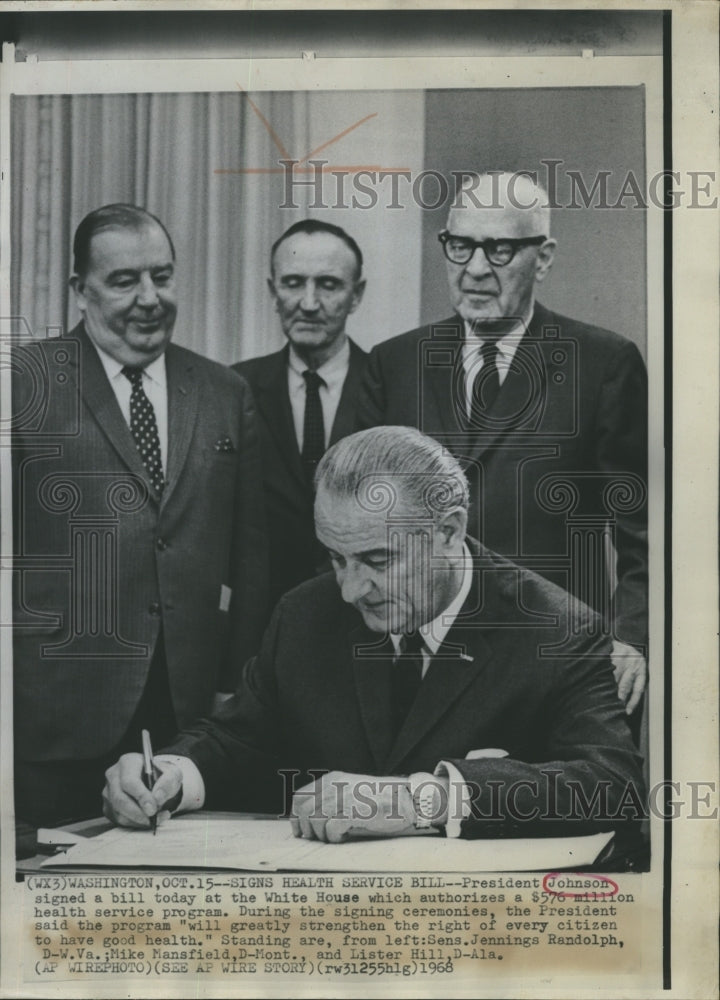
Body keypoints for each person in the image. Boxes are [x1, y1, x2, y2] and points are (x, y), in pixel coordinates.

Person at [103, 426, 644, 844]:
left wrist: (422, 800)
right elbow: (239, 739)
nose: (349, 590)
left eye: (377, 560)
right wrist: (170, 775)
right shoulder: (303, 614)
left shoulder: (556, 628)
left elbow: (611, 787)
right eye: (336, 559)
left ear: (449, 532)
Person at [356, 172, 648, 720]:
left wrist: (632, 637)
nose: (475, 268)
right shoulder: (392, 365)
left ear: (543, 257)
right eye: (461, 245)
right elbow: (355, 520)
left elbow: (644, 529)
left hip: (555, 662)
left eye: (500, 249)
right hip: (421, 662)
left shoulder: (603, 364)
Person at [12, 204, 267, 828]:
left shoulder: (223, 392)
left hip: (189, 717)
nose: (149, 298)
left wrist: (235, 687)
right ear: (80, 291)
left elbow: (253, 557)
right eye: (124, 281)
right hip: (55, 720)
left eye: (162, 275)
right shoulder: (22, 384)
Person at [232, 220, 368, 604]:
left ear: (356, 295)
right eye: (293, 283)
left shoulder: (390, 385)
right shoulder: (233, 388)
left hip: (363, 614)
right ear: (273, 293)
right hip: (261, 623)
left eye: (328, 284)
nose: (309, 303)